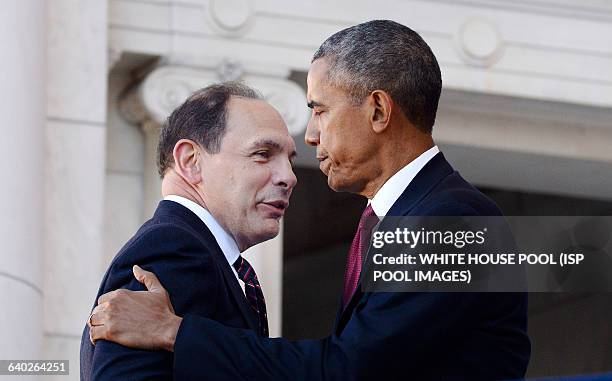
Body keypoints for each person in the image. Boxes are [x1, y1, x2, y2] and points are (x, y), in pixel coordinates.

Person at [88, 20, 531, 380]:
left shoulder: (449, 220)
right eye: (263, 154)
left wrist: (175, 332)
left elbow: (352, 368)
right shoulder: (171, 249)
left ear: (378, 110)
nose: (313, 133)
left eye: (320, 110)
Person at [80, 82, 297, 380]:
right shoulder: (175, 249)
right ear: (191, 161)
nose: (289, 177)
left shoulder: (190, 248)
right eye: (262, 154)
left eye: (290, 159)